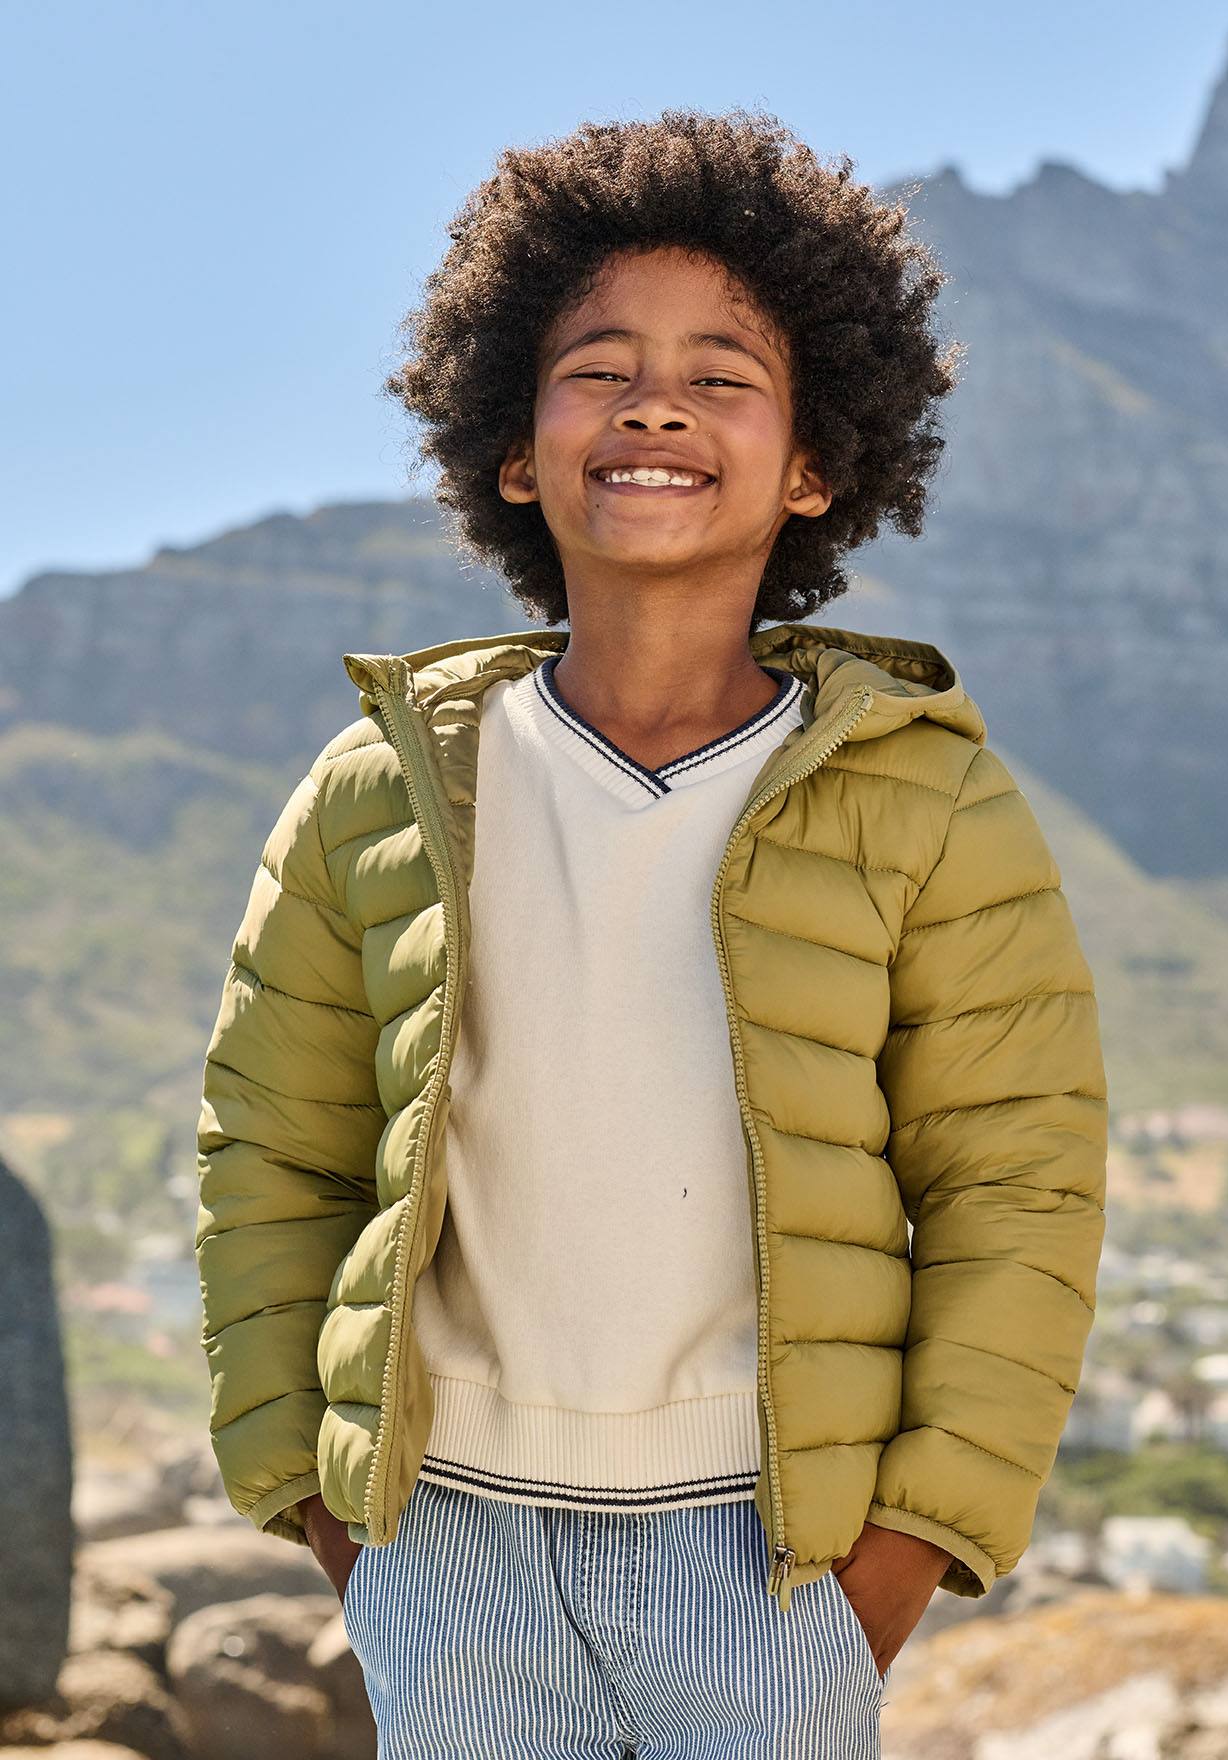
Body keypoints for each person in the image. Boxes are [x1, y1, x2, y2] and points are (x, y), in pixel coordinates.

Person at [194, 107, 1108, 1759]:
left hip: (769, 1560)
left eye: (725, 375)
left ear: (819, 461)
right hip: (444, 1541)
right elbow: (272, 1156)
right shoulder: (376, 792)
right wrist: (329, 1519)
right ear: (513, 448)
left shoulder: (932, 804)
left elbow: (1017, 1194)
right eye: (597, 365)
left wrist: (891, 1572)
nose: (657, 403)